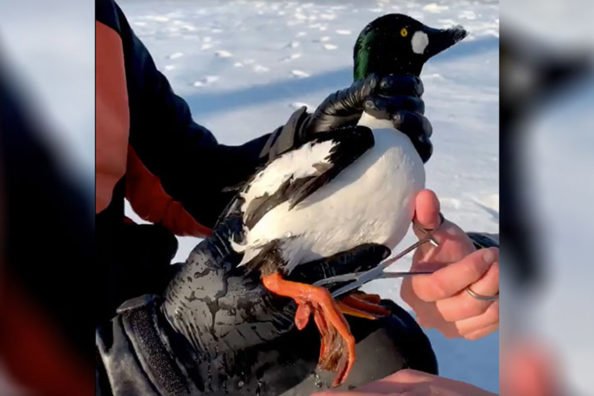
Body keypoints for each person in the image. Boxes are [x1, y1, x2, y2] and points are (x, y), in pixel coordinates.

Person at [95, 0, 499, 394]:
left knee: (383, 347)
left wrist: (308, 145)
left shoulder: (101, 22)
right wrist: (160, 346)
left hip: (143, 288)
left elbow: (195, 181)